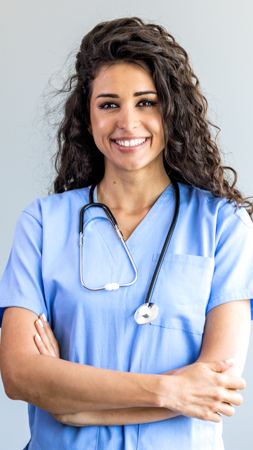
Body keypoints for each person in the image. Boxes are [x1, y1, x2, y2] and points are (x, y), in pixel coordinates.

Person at [0, 16, 252, 450]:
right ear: (88, 115)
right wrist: (168, 391)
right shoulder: (43, 223)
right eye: (109, 104)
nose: (128, 122)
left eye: (146, 102)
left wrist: (70, 405)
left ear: (171, 110)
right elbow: (19, 374)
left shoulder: (222, 224)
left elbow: (216, 388)